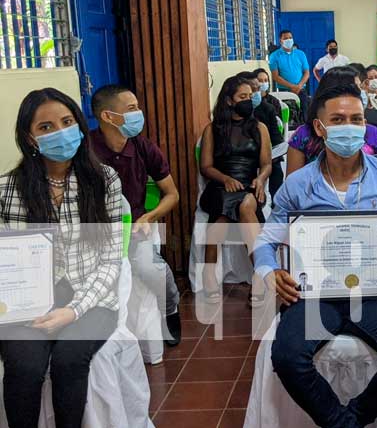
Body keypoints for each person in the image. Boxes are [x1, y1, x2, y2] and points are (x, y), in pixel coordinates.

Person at [254, 82, 377, 428]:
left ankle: (350, 419)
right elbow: (265, 241)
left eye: (357, 118)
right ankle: (340, 421)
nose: (350, 126)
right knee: (288, 357)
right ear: (320, 128)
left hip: (375, 293)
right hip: (314, 296)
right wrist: (271, 271)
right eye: (338, 119)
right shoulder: (297, 185)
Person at [0, 88, 122, 428]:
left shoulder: (103, 181)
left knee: (70, 359)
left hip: (92, 298)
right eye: (46, 127)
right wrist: (20, 307)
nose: (60, 132)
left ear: (81, 126)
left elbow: (111, 260)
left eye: (67, 122)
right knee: (24, 366)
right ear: (30, 137)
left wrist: (73, 310)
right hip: (27, 302)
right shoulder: (7, 189)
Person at [90, 85, 182, 346]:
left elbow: (172, 194)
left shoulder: (144, 148)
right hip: (96, 230)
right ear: (108, 116)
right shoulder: (86, 150)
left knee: (148, 267)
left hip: (136, 227)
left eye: (138, 108)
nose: (139, 114)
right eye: (131, 109)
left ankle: (171, 307)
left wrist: (148, 217)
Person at [199, 76, 272, 303]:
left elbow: (267, 164)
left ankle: (258, 274)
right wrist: (225, 178)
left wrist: (260, 179)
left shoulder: (259, 128)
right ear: (229, 100)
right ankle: (209, 273)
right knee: (221, 210)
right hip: (220, 184)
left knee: (247, 205)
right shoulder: (213, 129)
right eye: (243, 97)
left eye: (250, 97)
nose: (248, 101)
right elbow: (206, 166)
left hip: (250, 184)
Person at [286, 66, 377, 175]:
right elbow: (292, 188)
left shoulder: (372, 133)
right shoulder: (303, 135)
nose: (361, 93)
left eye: (361, 88)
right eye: (357, 88)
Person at [238, 71, 285, 202]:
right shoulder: (235, 114)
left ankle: (277, 203)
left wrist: (273, 153)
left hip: (267, 153)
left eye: (257, 89)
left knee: (276, 169)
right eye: (253, 90)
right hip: (243, 156)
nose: (256, 93)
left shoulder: (267, 109)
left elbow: (276, 138)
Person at [269, 30, 310, 118]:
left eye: (290, 38)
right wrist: (291, 86)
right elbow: (275, 76)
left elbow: (306, 72)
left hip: (301, 90)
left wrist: (299, 86)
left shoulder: (301, 54)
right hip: (284, 91)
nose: (289, 40)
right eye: (285, 38)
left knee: (305, 115)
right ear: (280, 41)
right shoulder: (274, 56)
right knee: (288, 117)